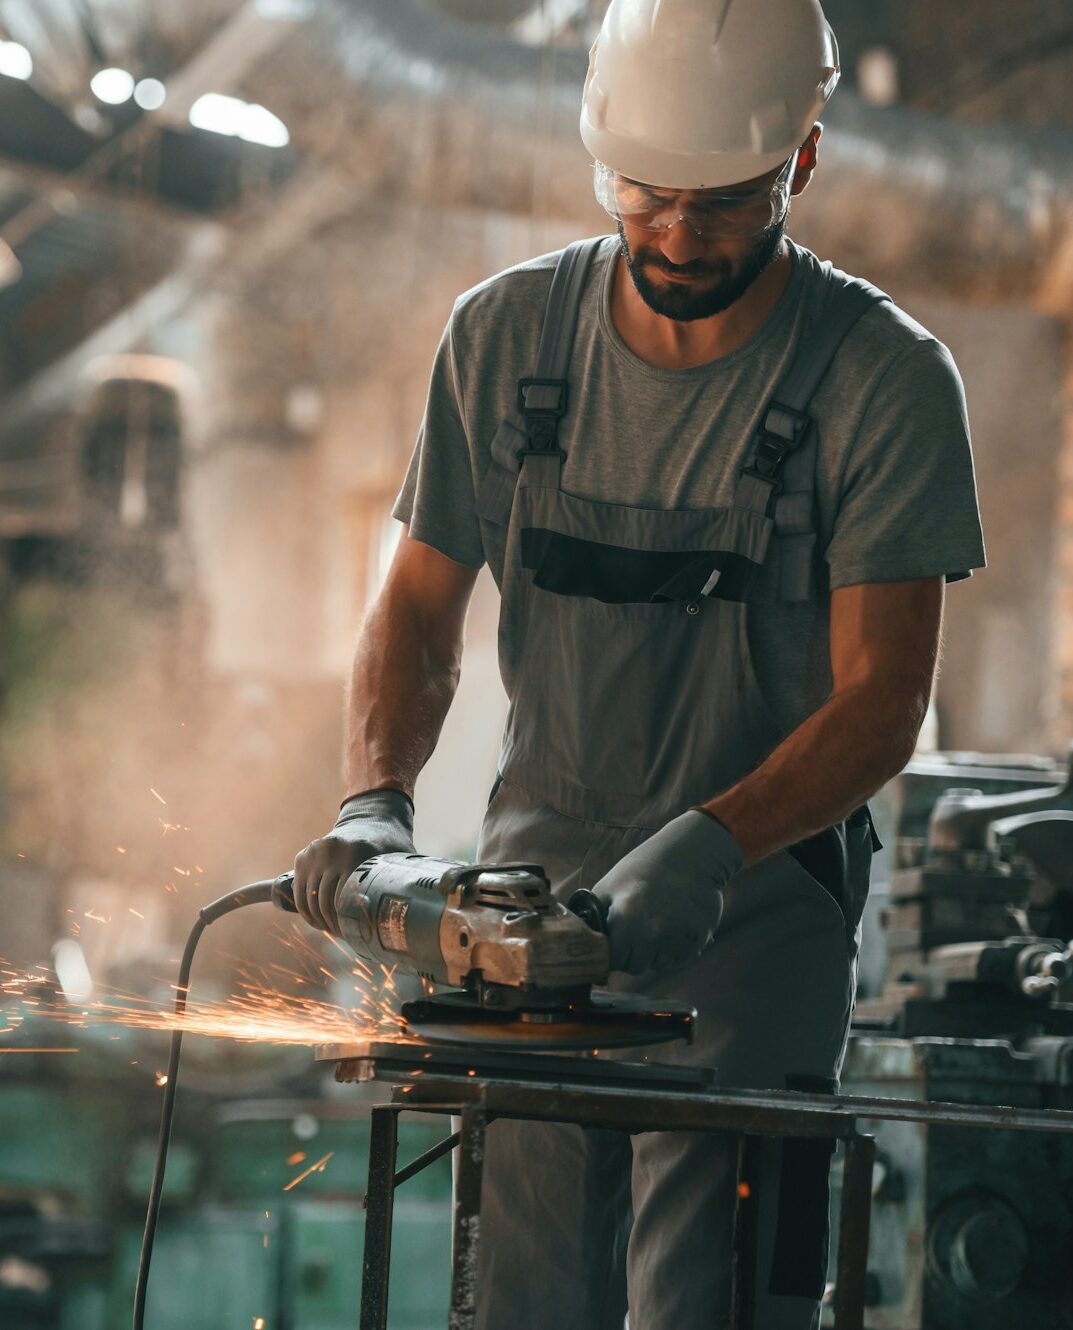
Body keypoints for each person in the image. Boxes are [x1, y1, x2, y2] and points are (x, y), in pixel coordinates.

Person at [292, 0, 986, 1325]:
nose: (673, 234)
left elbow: (883, 696)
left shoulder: (881, 380)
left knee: (706, 1307)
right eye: (642, 194)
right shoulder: (503, 342)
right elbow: (417, 610)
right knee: (523, 1304)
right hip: (527, 933)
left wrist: (708, 850)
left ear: (800, 160)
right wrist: (374, 800)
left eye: (718, 203)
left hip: (756, 931)